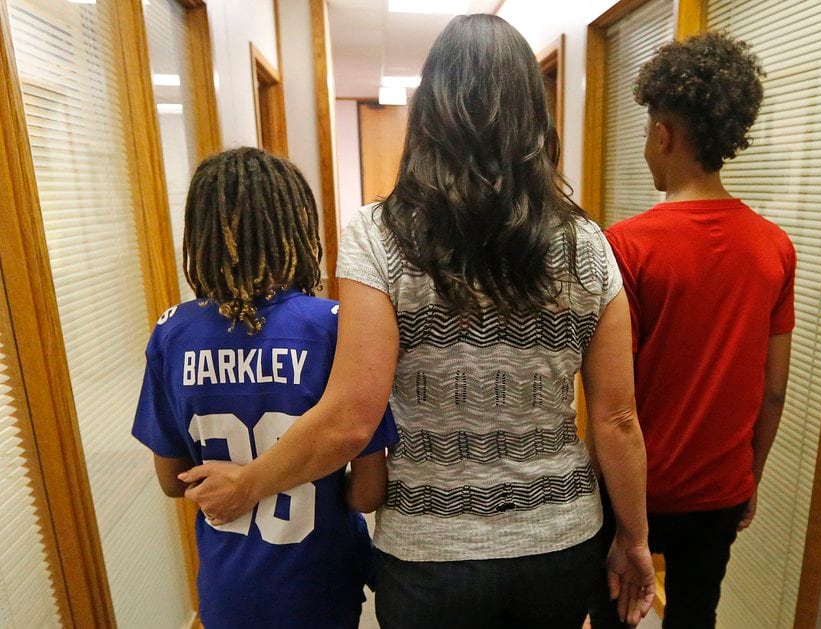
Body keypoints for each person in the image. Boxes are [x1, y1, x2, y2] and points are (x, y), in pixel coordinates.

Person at [177, 14, 655, 629]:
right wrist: (635, 539)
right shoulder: (587, 243)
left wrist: (247, 485)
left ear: (429, 111)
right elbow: (618, 419)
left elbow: (351, 419)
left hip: (430, 553)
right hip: (558, 542)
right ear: (534, 114)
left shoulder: (379, 234)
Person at [132, 147, 398, 629]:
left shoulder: (172, 333)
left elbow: (173, 481)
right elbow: (367, 492)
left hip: (229, 585)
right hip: (320, 579)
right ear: (297, 229)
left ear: (200, 235)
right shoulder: (334, 328)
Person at [590, 32, 795, 629]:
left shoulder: (625, 247)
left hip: (636, 490)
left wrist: (620, 516)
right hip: (719, 491)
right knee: (696, 615)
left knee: (615, 613)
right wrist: (750, 478)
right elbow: (773, 389)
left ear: (664, 133)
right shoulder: (774, 248)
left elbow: (614, 405)